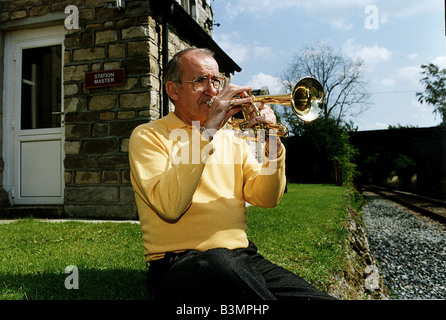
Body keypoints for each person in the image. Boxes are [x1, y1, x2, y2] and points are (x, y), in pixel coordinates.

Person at [129, 48, 335, 300]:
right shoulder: (148, 136)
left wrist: (272, 143)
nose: (212, 90)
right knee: (219, 262)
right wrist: (207, 131)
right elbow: (170, 206)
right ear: (173, 91)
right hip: (178, 263)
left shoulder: (233, 138)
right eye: (199, 81)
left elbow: (266, 198)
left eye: (216, 80)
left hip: (241, 258)